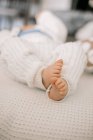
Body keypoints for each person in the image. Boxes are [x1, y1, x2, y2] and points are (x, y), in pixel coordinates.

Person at [0, 11, 90, 101]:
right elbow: (3, 41)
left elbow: (59, 28)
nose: (28, 26)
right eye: (24, 27)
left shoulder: (49, 31)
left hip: (53, 56)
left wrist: (43, 15)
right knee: (10, 44)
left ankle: (63, 81)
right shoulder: (13, 34)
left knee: (75, 47)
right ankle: (41, 76)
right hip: (27, 59)